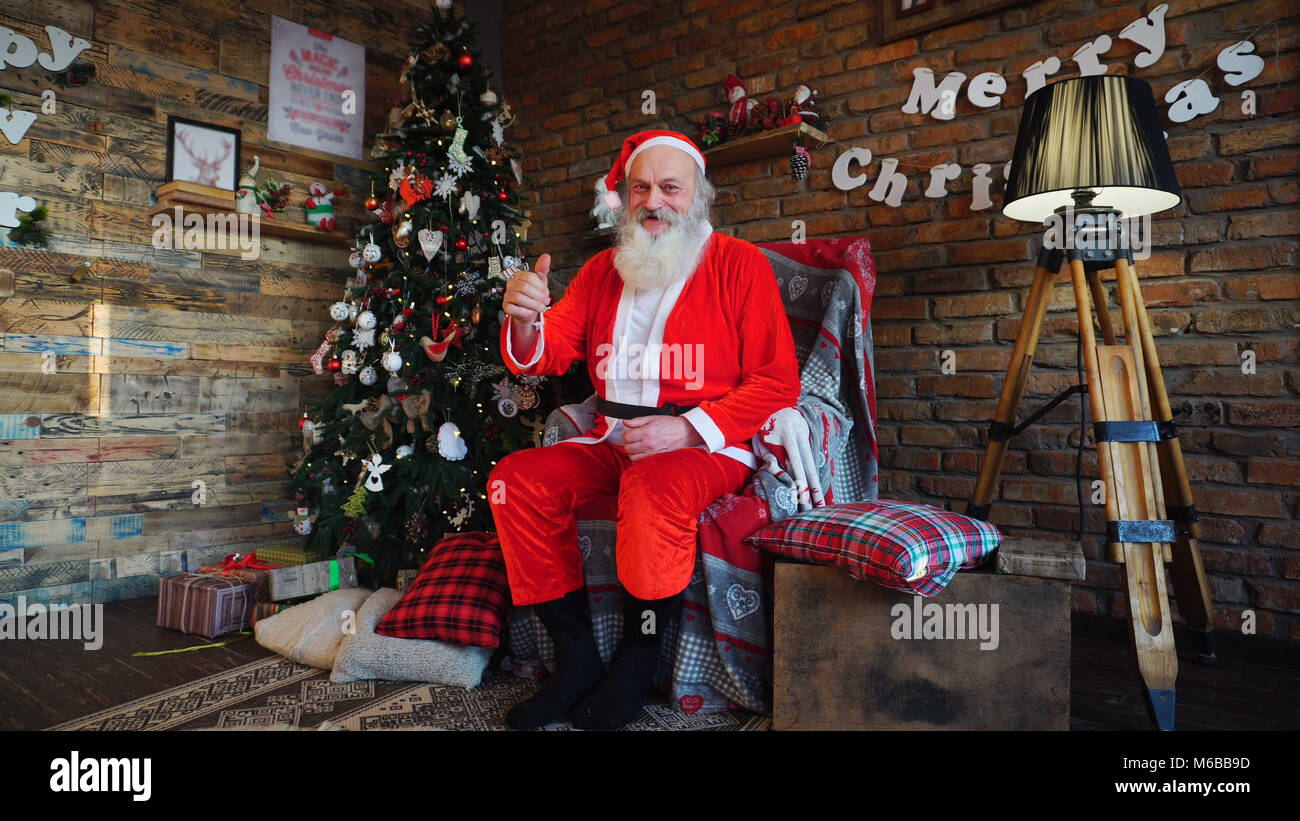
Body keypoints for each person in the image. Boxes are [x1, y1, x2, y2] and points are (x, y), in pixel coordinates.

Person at [488, 129, 800, 730]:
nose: (653, 201)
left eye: (670, 187)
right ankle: (576, 658)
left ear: (699, 197)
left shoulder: (740, 264)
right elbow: (548, 352)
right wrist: (526, 320)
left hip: (707, 447)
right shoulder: (603, 270)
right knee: (513, 481)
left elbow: (776, 382)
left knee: (651, 489)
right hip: (610, 441)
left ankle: (637, 660)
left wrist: (687, 432)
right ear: (627, 197)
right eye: (640, 188)